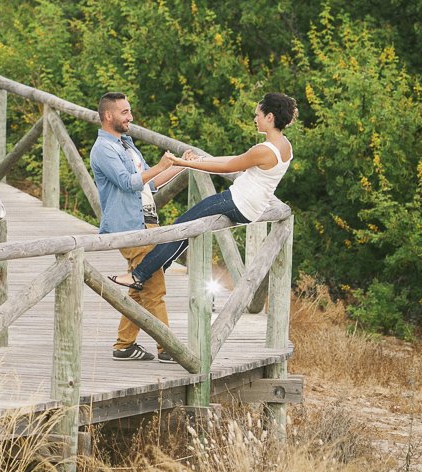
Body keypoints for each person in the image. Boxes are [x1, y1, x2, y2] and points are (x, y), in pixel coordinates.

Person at [109, 92, 297, 292]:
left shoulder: (264, 150)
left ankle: (138, 275)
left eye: (258, 115)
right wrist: (198, 161)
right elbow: (236, 159)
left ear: (270, 117)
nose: (255, 119)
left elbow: (229, 167)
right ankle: (157, 268)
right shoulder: (284, 145)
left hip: (238, 202)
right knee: (187, 229)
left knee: (181, 225)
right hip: (251, 205)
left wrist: (182, 163)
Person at [90, 92, 187, 362]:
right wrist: (159, 165)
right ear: (108, 116)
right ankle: (169, 349)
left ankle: (124, 345)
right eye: (124, 112)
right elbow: (128, 182)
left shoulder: (127, 146)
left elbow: (149, 183)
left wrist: (180, 165)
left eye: (129, 111)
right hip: (128, 228)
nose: (130, 117)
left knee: (139, 287)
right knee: (154, 289)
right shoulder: (103, 149)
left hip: (148, 223)